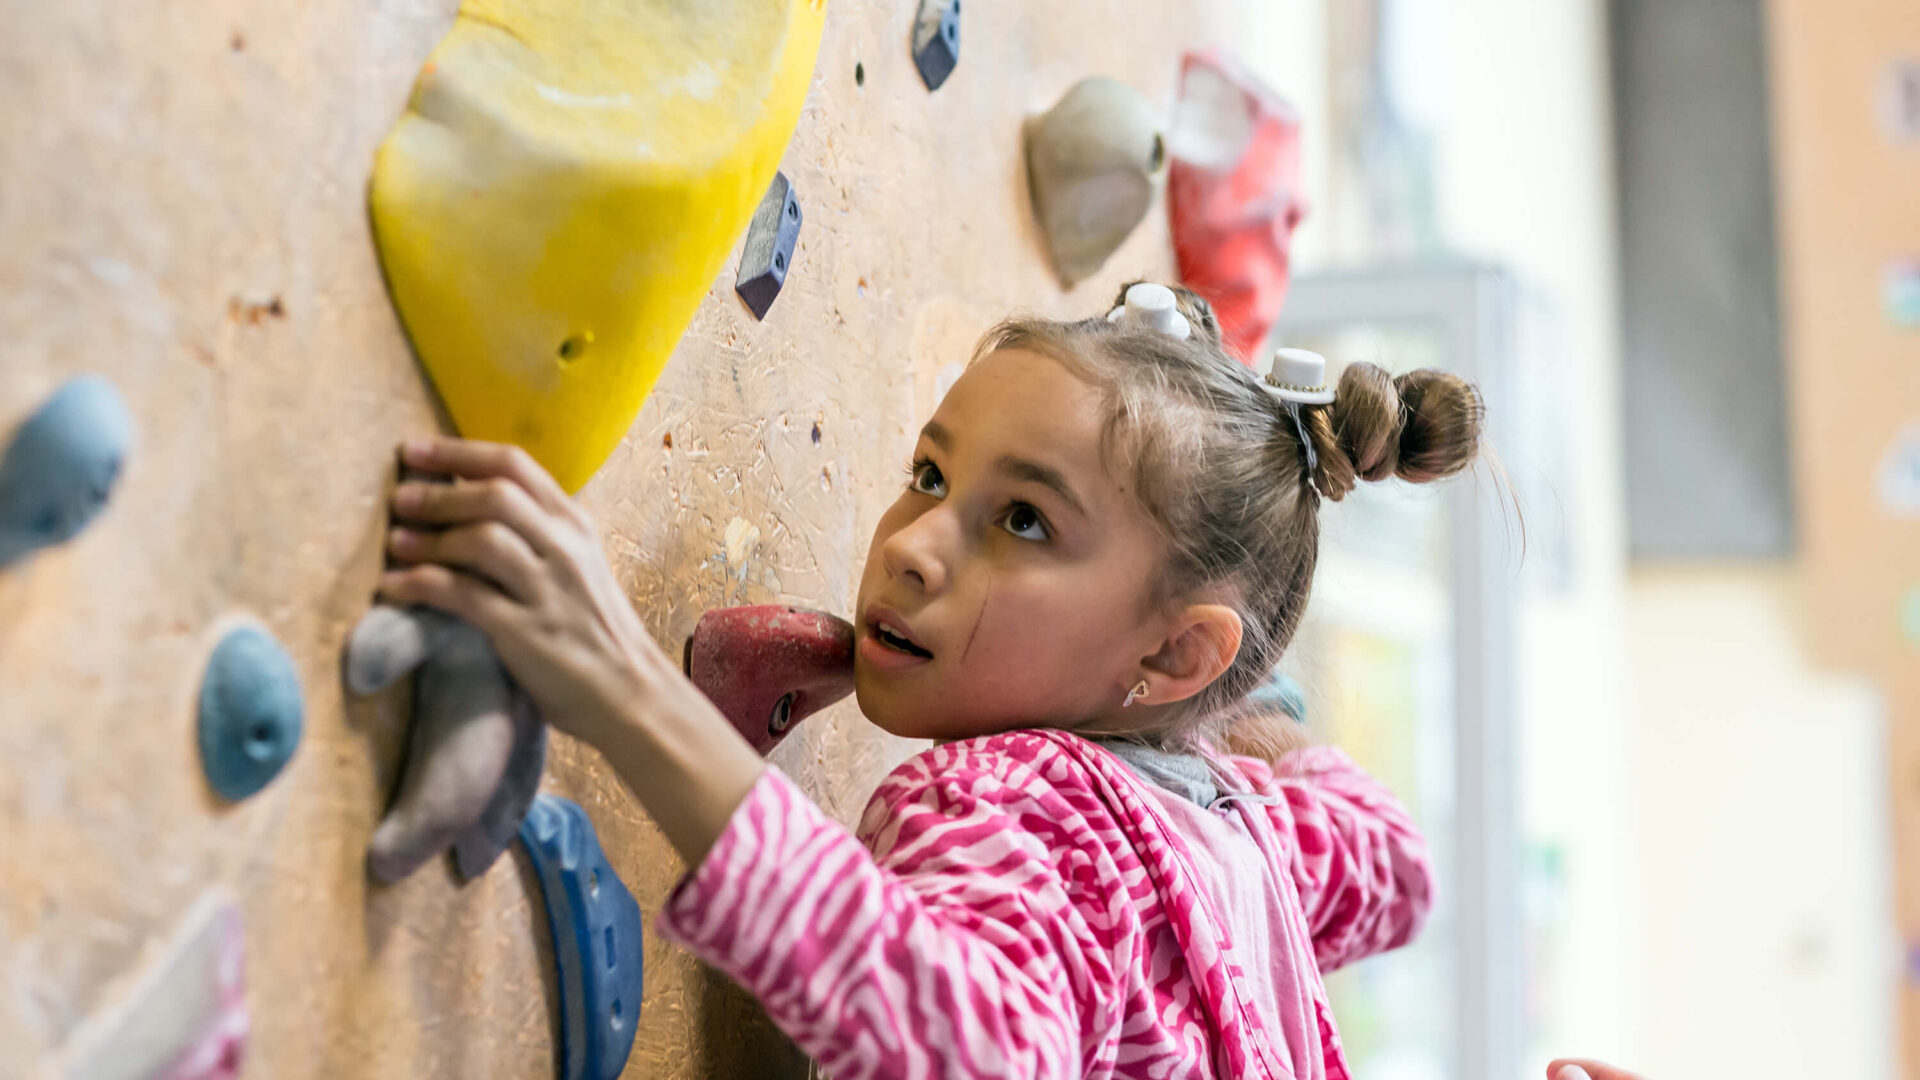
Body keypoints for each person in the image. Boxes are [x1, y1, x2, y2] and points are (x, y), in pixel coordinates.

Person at [374, 282, 1484, 1078]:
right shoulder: (1243, 836)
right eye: (930, 473)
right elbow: (1391, 858)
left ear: (1173, 653)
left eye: (1022, 521)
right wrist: (1210, 699)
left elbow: (973, 1049)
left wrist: (615, 679)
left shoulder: (1007, 805)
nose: (911, 544)